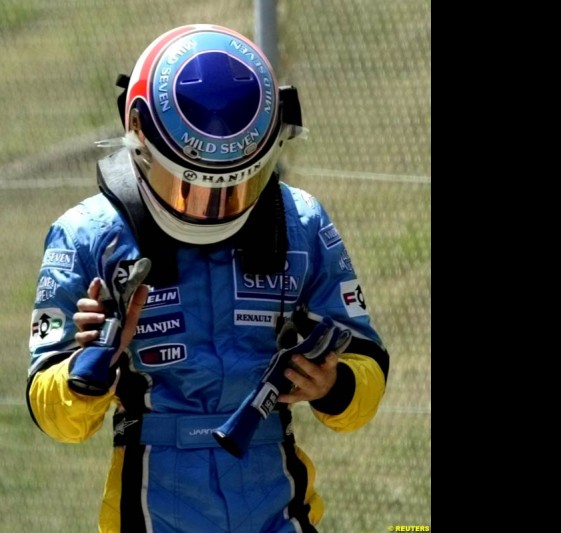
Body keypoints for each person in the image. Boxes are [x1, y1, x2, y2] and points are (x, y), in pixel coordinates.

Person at [25, 23, 389, 532]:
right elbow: (53, 416)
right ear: (140, 143)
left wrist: (334, 385)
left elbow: (367, 366)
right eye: (189, 187)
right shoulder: (87, 235)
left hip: (278, 503)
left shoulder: (301, 223)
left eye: (235, 187)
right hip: (153, 507)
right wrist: (92, 368)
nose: (213, 208)